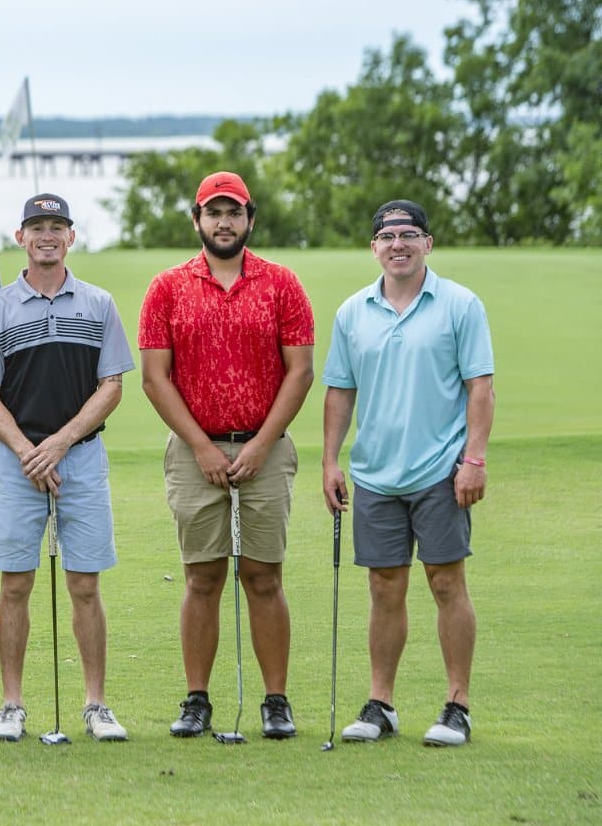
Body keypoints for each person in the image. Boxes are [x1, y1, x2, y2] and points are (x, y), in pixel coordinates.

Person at [138, 171, 314, 740]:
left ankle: (276, 700)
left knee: (263, 576)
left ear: (249, 219)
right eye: (213, 213)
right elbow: (154, 378)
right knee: (202, 577)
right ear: (196, 220)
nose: (223, 222)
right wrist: (200, 446)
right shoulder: (166, 287)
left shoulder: (283, 283)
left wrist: (262, 443)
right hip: (196, 450)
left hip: (266, 447)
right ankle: (196, 699)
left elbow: (301, 371)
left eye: (233, 212)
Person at [322, 199, 494, 748]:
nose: (398, 243)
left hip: (441, 471)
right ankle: (381, 704)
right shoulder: (353, 312)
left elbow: (480, 389)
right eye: (388, 235)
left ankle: (457, 704)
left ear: (428, 243)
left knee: (447, 583)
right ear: (374, 247)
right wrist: (331, 459)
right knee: (383, 588)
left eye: (409, 234)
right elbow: (340, 391)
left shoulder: (461, 305)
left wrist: (474, 459)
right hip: (375, 474)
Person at [0, 194, 134, 742]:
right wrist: (26, 450)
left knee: (85, 584)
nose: (47, 235)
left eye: (57, 227)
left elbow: (111, 385)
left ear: (71, 237)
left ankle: (96, 704)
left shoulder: (98, 303)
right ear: (21, 237)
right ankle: (12, 705)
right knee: (14, 584)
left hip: (81, 458)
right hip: (18, 462)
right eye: (37, 226)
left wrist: (60, 444)